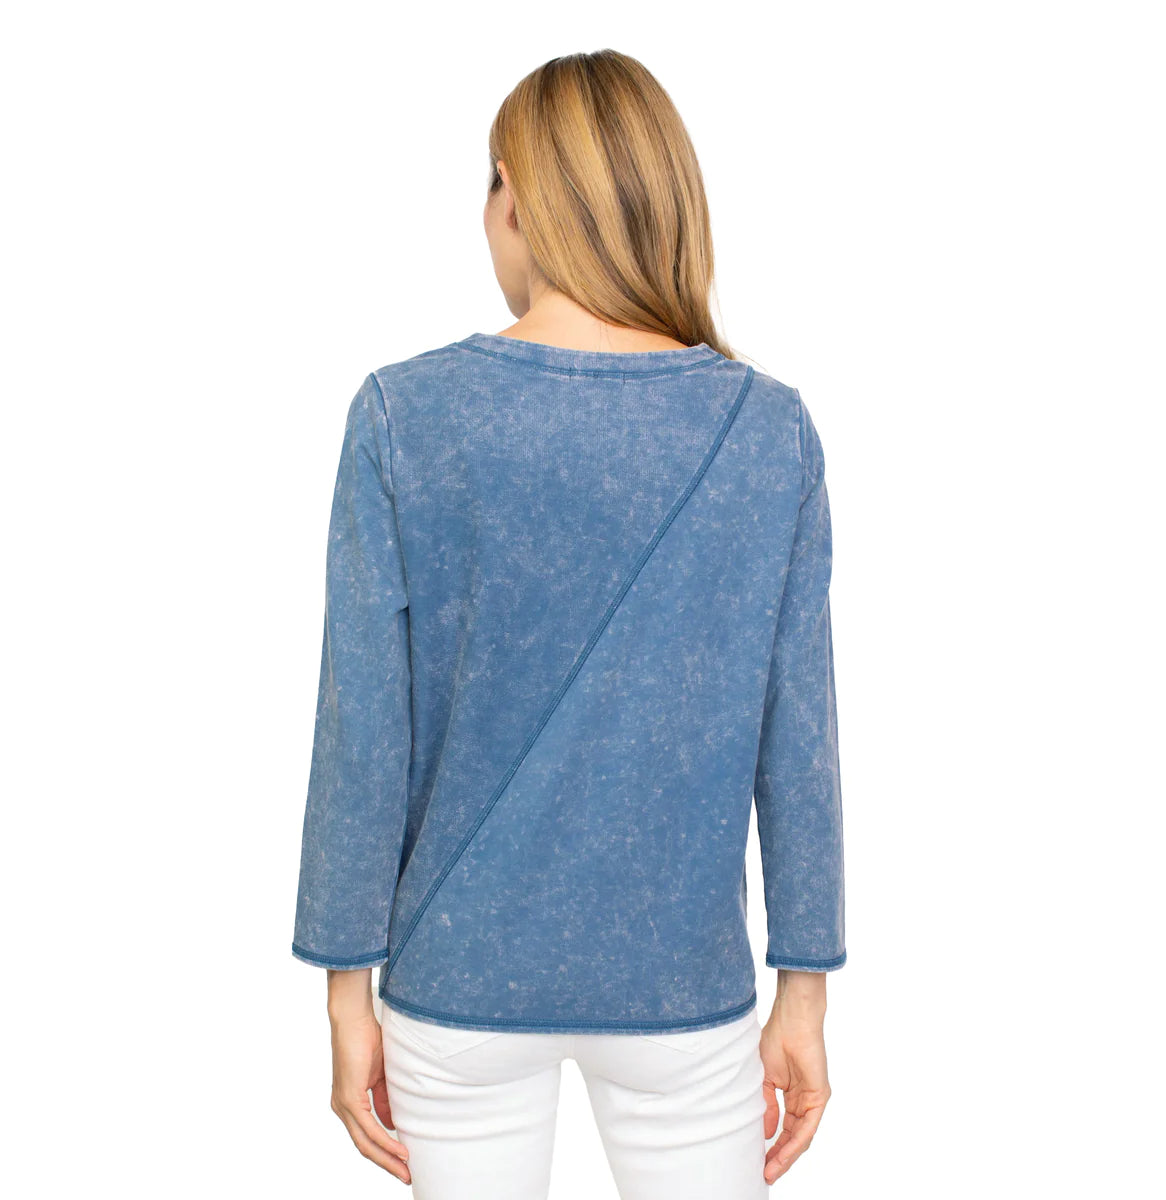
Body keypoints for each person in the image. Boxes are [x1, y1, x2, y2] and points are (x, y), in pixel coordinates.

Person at [291, 48, 846, 1200]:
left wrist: (345, 990)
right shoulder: (769, 430)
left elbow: (362, 735)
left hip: (457, 980)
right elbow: (799, 740)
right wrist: (805, 987)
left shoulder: (402, 415)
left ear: (516, 194)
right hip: (681, 988)